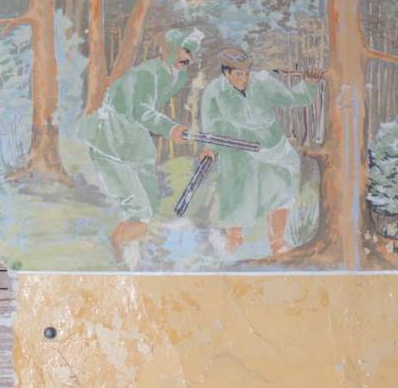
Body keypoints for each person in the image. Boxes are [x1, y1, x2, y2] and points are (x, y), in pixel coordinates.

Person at [76, 28, 199, 260]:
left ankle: (129, 254)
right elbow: (142, 110)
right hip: (111, 142)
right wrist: (170, 128)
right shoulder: (147, 74)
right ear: (169, 51)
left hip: (133, 141)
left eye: (191, 54)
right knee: (140, 213)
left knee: (148, 207)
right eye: (184, 52)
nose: (188, 59)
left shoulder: (174, 75)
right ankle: (111, 252)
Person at [197, 45, 320, 257]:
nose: (244, 78)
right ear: (226, 73)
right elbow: (211, 124)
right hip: (236, 148)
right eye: (238, 74)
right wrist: (209, 148)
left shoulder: (263, 83)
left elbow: (291, 98)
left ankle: (278, 243)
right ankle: (233, 242)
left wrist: (309, 85)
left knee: (279, 191)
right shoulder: (214, 92)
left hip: (270, 146)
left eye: (246, 73)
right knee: (235, 194)